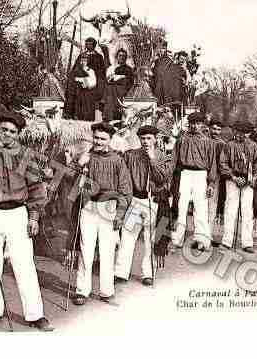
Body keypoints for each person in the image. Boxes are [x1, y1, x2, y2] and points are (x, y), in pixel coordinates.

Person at [0, 108, 53, 331]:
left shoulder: (25, 156)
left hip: (18, 214)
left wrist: (34, 217)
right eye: (3, 130)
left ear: (18, 134)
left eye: (12, 132)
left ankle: (35, 314)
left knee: (24, 264)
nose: (7, 134)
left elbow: (37, 188)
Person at [72, 122, 132, 305]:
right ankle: (82, 290)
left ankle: (106, 290)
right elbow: (72, 185)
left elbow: (125, 191)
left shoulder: (117, 160)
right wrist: (78, 165)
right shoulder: (86, 157)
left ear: (110, 140)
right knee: (85, 249)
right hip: (89, 207)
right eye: (96, 137)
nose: (98, 141)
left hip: (109, 208)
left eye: (102, 138)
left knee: (107, 250)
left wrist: (120, 214)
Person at [114, 125, 172, 286]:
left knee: (151, 238)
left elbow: (162, 178)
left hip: (154, 202)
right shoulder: (131, 155)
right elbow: (123, 177)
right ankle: (120, 272)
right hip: (136, 200)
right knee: (127, 236)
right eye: (143, 138)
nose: (146, 142)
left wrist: (152, 158)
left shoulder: (164, 157)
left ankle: (148, 273)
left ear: (155, 139)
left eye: (149, 138)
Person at [170, 112, 217, 252]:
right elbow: (174, 160)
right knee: (181, 206)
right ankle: (177, 239)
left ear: (202, 124)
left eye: (198, 123)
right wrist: (170, 178)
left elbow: (212, 163)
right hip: (185, 173)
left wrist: (211, 183)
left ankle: (201, 239)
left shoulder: (208, 141)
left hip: (201, 175)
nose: (195, 126)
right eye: (193, 123)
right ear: (189, 124)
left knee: (200, 207)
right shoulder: (182, 140)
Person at [219, 120, 257, 252]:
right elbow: (223, 163)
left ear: (249, 133)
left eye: (244, 133)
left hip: (248, 180)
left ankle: (247, 243)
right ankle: (227, 241)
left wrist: (254, 177)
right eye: (238, 131)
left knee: (247, 211)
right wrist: (233, 177)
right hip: (233, 180)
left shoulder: (254, 146)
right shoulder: (229, 145)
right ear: (234, 132)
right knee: (230, 210)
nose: (241, 135)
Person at [64, 38, 106, 121]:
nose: (88, 45)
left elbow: (101, 72)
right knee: (72, 87)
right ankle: (70, 114)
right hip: (79, 79)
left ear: (94, 45)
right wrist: (76, 76)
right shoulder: (81, 55)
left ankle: (87, 117)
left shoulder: (99, 57)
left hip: (93, 81)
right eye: (87, 44)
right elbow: (75, 68)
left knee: (87, 94)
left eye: (90, 44)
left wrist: (89, 77)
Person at [208, 119, 227, 246]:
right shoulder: (204, 141)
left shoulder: (222, 144)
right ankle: (200, 235)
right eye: (214, 129)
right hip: (202, 175)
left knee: (213, 207)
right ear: (209, 128)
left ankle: (209, 235)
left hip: (217, 178)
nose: (216, 132)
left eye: (218, 129)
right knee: (200, 207)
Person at [103, 49, 134, 122]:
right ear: (117, 57)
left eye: (124, 56)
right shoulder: (111, 68)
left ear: (126, 58)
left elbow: (130, 82)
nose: (122, 57)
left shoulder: (129, 69)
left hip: (123, 92)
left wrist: (121, 79)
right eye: (120, 55)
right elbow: (108, 80)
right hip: (112, 92)